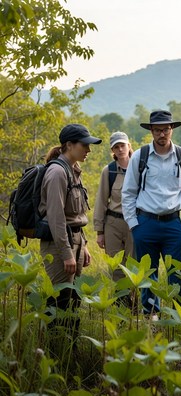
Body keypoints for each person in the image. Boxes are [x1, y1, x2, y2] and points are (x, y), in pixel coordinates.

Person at [121, 110, 181, 319]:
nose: (162, 134)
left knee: (178, 276)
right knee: (148, 277)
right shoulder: (140, 156)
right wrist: (134, 224)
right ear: (151, 132)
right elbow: (128, 192)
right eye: (157, 130)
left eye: (165, 130)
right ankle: (151, 320)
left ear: (171, 130)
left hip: (174, 225)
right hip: (145, 223)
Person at [39, 123, 101, 344]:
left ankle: (70, 349)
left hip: (74, 240)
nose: (88, 150)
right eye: (84, 145)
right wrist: (66, 253)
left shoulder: (74, 170)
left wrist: (82, 247)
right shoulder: (57, 172)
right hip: (58, 245)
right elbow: (56, 218)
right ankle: (52, 350)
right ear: (69, 145)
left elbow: (76, 216)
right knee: (60, 300)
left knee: (73, 299)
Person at [93, 131, 135, 307]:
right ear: (112, 150)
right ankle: (121, 303)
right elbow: (101, 200)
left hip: (135, 223)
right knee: (117, 265)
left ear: (128, 145)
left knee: (134, 263)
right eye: (116, 147)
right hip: (113, 223)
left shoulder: (139, 167)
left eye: (122, 145)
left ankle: (135, 303)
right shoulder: (109, 170)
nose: (120, 149)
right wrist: (100, 232)